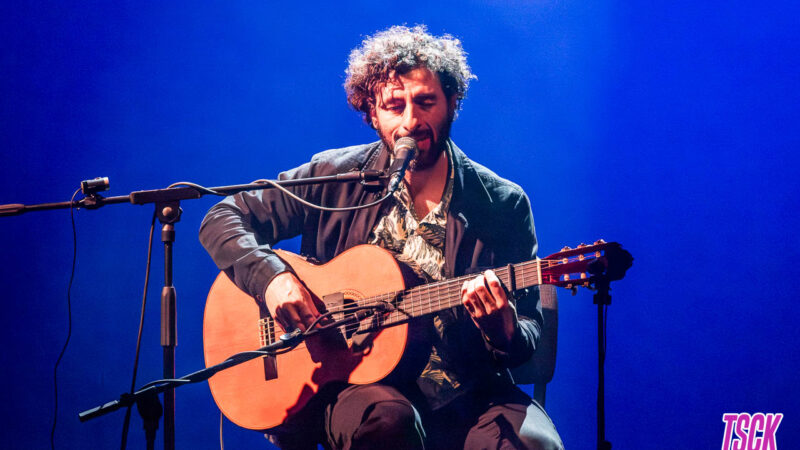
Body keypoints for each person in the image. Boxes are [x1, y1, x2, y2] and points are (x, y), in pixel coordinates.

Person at [199, 25, 563, 450]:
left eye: (426, 102)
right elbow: (224, 216)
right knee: (390, 424)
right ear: (372, 112)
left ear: (451, 105)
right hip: (357, 387)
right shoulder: (333, 177)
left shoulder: (501, 202)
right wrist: (272, 280)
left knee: (536, 447)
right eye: (395, 105)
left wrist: (504, 332)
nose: (411, 121)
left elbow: (529, 329)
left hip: (470, 392)